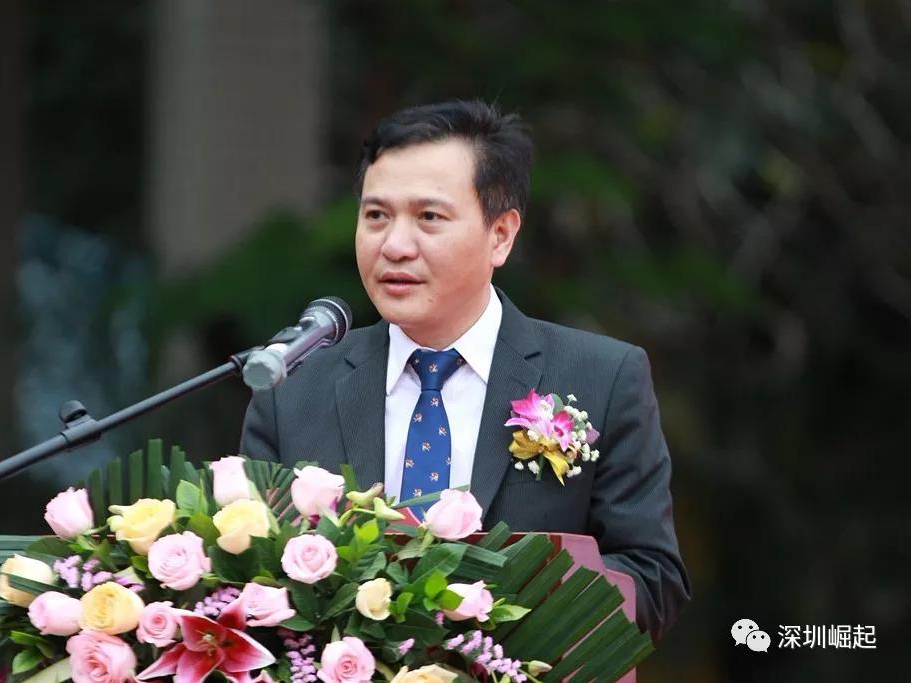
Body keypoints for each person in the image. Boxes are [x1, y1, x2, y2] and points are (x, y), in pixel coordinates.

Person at [240, 100, 690, 641]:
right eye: (376, 216)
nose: (394, 246)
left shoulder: (602, 377)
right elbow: (246, 573)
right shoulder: (294, 386)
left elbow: (652, 581)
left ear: (501, 234)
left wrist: (484, 612)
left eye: (429, 217)